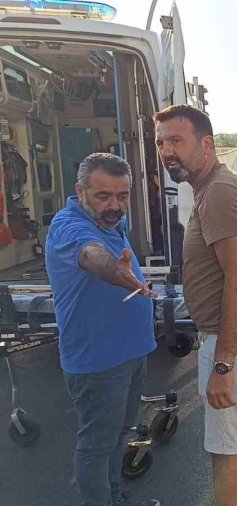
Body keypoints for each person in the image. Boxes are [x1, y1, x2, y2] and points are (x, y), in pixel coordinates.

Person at [154, 105, 237, 506]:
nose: (167, 151)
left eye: (177, 141)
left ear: (207, 145)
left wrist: (223, 364)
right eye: (161, 143)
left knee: (225, 452)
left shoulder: (220, 192)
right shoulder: (213, 188)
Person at [46, 153, 160, 506]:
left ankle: (114, 499)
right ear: (81, 192)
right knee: (97, 446)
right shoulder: (69, 225)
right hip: (99, 363)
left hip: (130, 353)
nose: (115, 206)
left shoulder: (110, 223)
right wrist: (117, 273)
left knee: (118, 435)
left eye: (122, 196)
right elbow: (91, 255)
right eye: (103, 196)